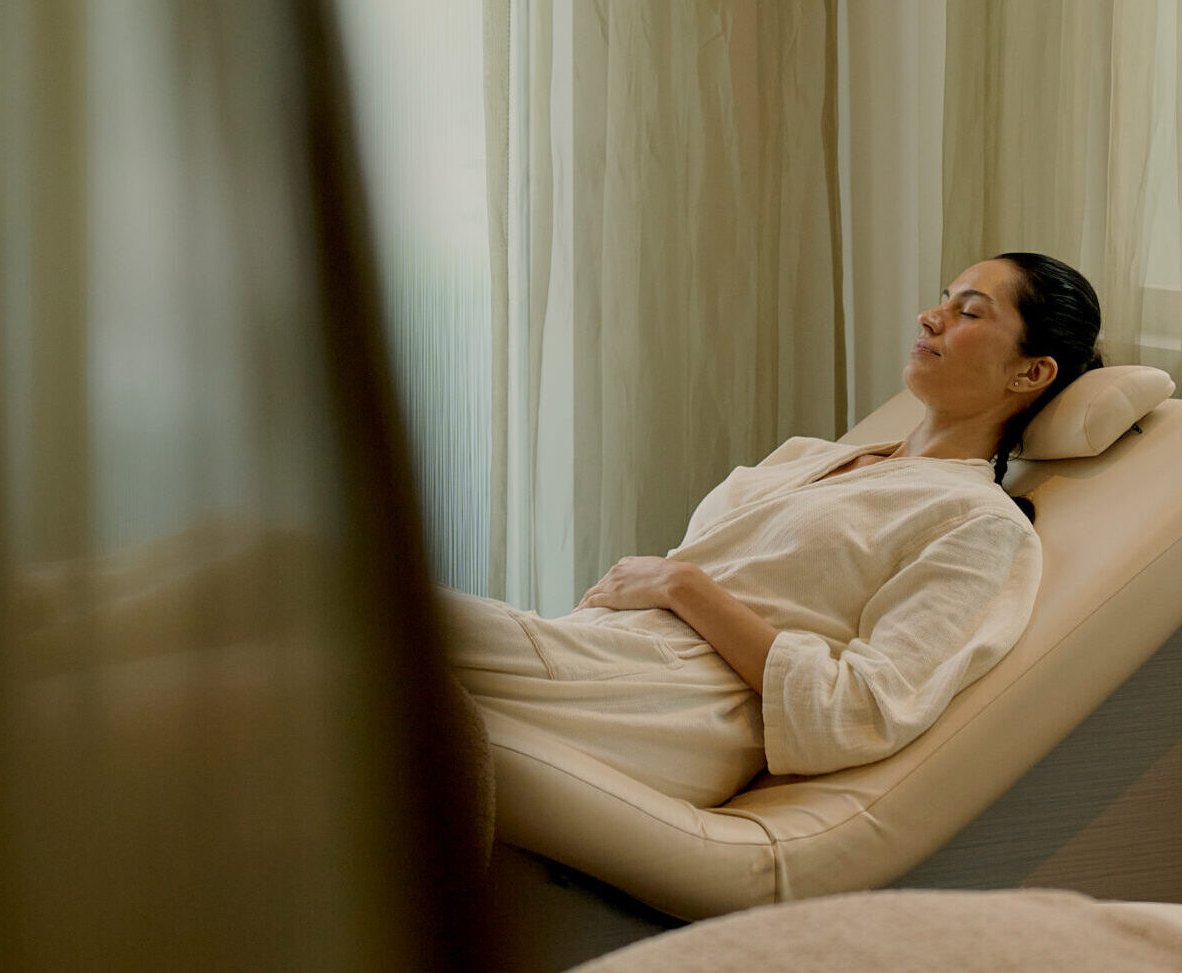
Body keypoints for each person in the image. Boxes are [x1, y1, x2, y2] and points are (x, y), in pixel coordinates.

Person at [443, 252, 1105, 807]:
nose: (928, 316)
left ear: (1030, 371)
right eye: (942, 299)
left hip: (670, 709)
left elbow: (862, 708)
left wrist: (682, 584)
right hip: (597, 657)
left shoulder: (978, 522)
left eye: (968, 311)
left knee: (372, 624)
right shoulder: (805, 458)